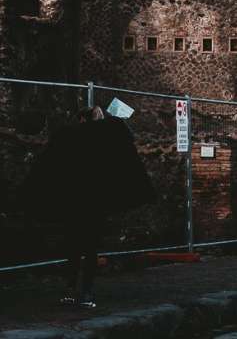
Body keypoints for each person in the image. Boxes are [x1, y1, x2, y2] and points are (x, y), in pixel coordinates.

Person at [23, 106, 154, 309]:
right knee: (89, 249)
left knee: (73, 248)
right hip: (92, 203)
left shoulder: (66, 137)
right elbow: (123, 131)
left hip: (72, 203)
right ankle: (85, 291)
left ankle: (71, 289)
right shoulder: (101, 140)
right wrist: (103, 117)